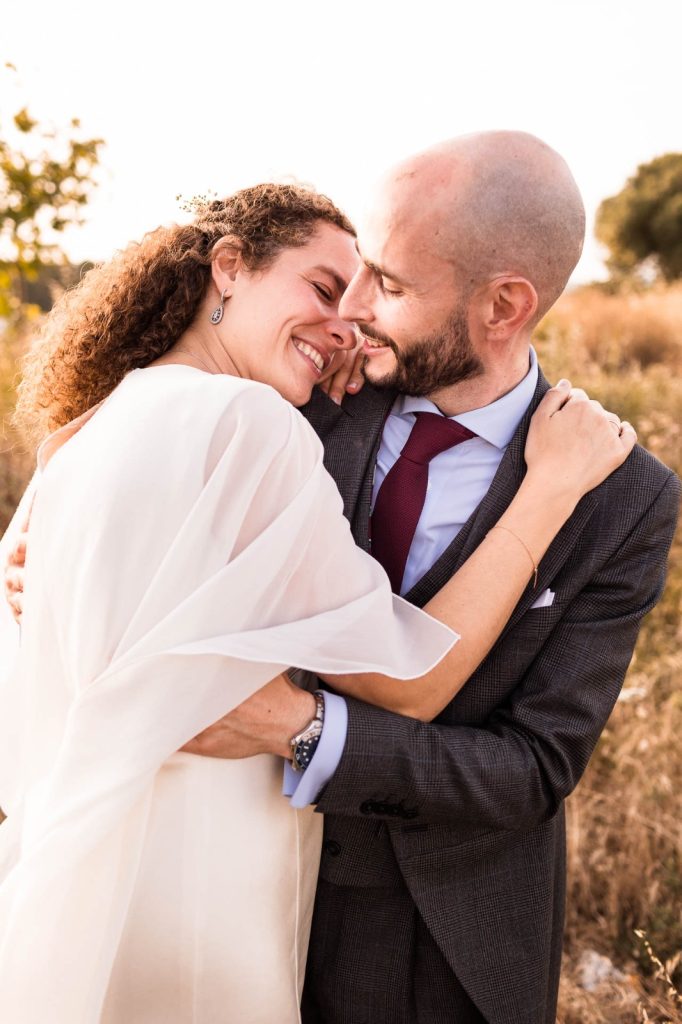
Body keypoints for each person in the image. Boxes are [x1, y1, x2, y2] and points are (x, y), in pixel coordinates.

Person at [0, 180, 634, 1023]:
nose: (351, 321)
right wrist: (547, 491)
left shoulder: (90, 428)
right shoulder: (259, 424)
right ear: (228, 267)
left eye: (378, 286)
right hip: (204, 868)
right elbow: (412, 680)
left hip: (80, 855)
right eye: (328, 288)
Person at [174, 135, 681, 1024]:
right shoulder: (301, 389)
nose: (355, 307)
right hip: (229, 879)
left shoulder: (622, 498)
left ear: (504, 307)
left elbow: (531, 768)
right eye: (361, 270)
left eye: (393, 286)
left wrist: (307, 728)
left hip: (445, 938)